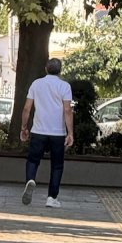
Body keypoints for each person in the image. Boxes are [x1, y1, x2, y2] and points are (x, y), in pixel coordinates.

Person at [21, 57, 74, 208]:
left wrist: (24, 127)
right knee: (57, 165)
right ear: (60, 70)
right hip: (58, 132)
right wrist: (70, 133)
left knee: (32, 160)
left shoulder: (36, 84)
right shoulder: (64, 86)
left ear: (45, 68)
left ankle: (30, 180)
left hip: (38, 130)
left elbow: (27, 108)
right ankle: (52, 197)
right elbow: (67, 110)